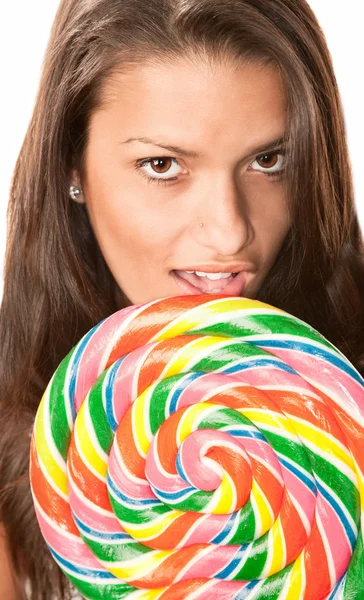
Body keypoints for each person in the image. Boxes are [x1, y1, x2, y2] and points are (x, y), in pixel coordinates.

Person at [1, 0, 363, 598]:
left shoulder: (347, 442)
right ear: (72, 166)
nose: (230, 232)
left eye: (268, 160)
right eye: (162, 165)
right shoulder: (24, 496)